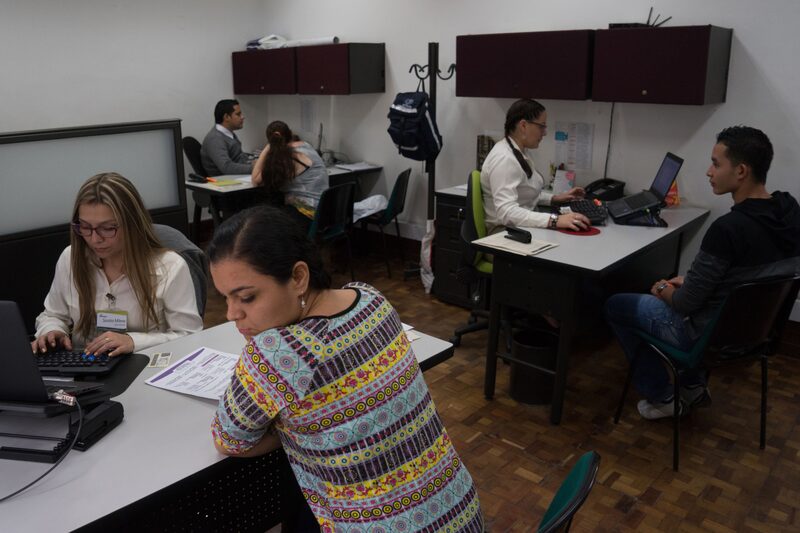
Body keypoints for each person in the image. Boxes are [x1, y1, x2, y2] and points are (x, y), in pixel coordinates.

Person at [209, 206, 483, 532]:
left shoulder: (276, 353)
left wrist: (290, 429)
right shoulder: (370, 298)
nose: (231, 313)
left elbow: (229, 440)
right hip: (458, 509)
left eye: (247, 298)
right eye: (226, 298)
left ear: (298, 277)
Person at [605, 126, 800, 419]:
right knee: (678, 288)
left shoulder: (728, 229)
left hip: (707, 338)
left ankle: (663, 395)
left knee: (617, 305)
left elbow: (685, 304)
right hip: (755, 336)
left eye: (716, 163)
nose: (709, 171)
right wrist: (694, 282)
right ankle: (693, 386)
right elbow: (750, 278)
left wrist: (661, 288)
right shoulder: (789, 211)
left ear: (741, 171)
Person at [32, 172, 203, 356]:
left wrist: (133, 341)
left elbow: (189, 336)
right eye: (86, 227)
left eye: (107, 228)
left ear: (133, 224)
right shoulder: (71, 257)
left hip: (144, 367)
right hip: (84, 367)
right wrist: (51, 330)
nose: (95, 239)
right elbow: (52, 315)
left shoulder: (171, 267)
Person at [481, 98, 590, 233]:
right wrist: (555, 220)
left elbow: (524, 194)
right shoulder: (504, 159)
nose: (544, 132)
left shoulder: (519, 152)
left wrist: (554, 198)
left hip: (518, 226)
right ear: (523, 126)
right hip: (504, 233)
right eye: (541, 126)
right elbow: (506, 212)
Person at [251, 120, 329, 223]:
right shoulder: (306, 145)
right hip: (324, 210)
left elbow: (255, 180)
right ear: (290, 133)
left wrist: (267, 148)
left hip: (307, 213)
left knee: (261, 214)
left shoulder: (285, 157)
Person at [200, 99, 254, 176]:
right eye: (238, 114)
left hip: (236, 178)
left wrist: (253, 162)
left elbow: (238, 158)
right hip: (225, 183)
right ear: (226, 117)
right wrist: (254, 168)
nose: (242, 117)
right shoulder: (215, 139)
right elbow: (227, 167)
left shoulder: (228, 134)